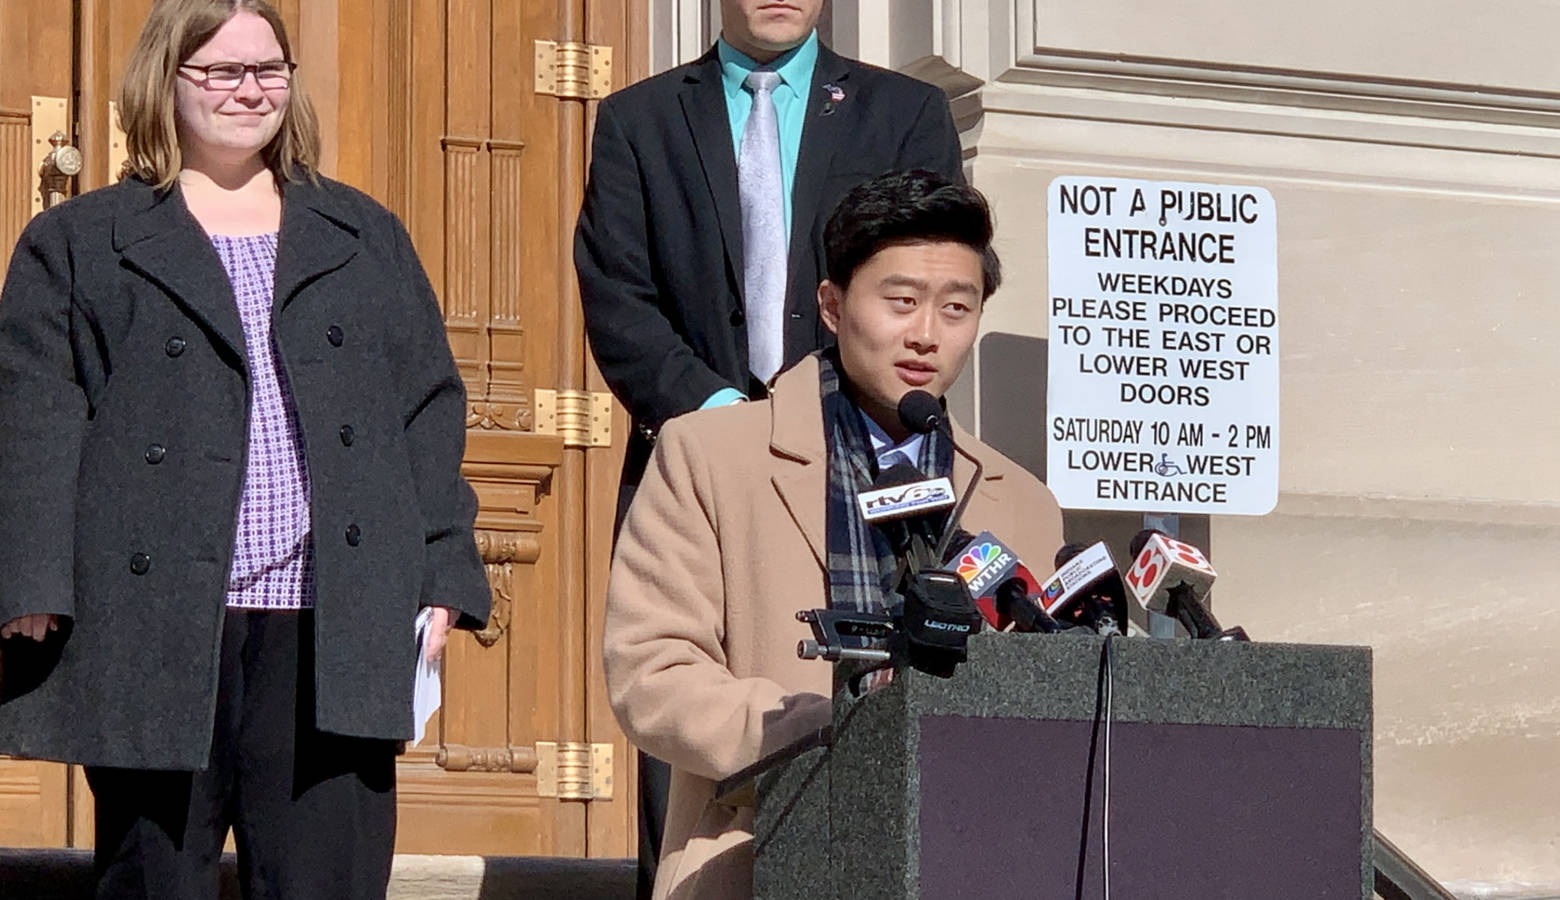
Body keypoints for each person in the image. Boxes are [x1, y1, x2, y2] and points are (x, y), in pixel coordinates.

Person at [0, 2, 489, 897]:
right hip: (159, 618)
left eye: (268, 69)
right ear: (165, 80)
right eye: (221, 71)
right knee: (156, 880)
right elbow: (34, 414)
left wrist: (443, 572)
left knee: (325, 881)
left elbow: (427, 407)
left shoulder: (362, 234)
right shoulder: (78, 242)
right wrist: (32, 580)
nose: (249, 90)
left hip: (330, 619)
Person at [575, 5, 964, 885]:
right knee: (689, 744)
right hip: (695, 461)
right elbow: (618, 297)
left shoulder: (904, 113)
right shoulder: (637, 121)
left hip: (868, 471)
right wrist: (726, 422)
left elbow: (934, 282)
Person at [602, 170, 1065, 899]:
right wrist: (831, 735)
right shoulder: (711, 454)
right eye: (901, 301)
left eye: (956, 308)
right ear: (832, 304)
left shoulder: (1024, 502)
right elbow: (651, 672)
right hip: (761, 850)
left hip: (966, 860)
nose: (925, 335)